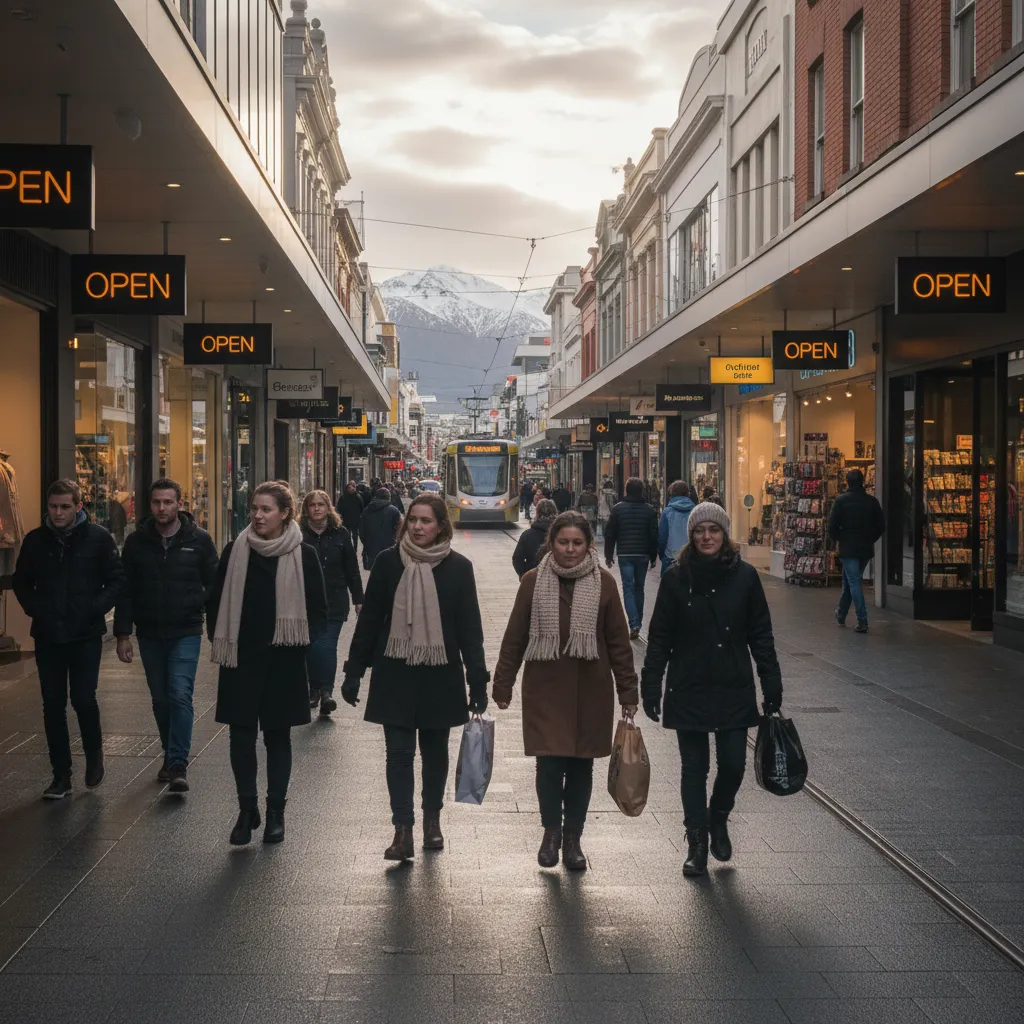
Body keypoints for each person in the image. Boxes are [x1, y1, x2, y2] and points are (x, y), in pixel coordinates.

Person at [341, 494, 489, 861]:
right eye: (413, 520)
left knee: (435, 754)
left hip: (441, 675)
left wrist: (479, 681)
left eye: (426, 521)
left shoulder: (459, 568)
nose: (419, 527)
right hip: (396, 671)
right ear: (405, 523)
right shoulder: (388, 563)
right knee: (399, 754)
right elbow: (370, 620)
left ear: (441, 526)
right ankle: (402, 829)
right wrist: (353, 671)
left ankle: (432, 822)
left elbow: (470, 630)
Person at [641, 503, 782, 877]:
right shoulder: (675, 578)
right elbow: (659, 638)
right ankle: (697, 841)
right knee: (694, 768)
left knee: (734, 764)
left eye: (713, 531)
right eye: (700, 531)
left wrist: (772, 684)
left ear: (724, 535)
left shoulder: (746, 577)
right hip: (689, 684)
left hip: (732, 683)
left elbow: (761, 635)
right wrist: (650, 684)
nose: (706, 537)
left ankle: (718, 816)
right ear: (691, 536)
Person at [493, 511, 638, 871]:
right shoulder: (532, 581)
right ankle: (551, 832)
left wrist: (628, 693)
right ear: (551, 543)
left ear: (588, 545)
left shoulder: (604, 583)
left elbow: (619, 643)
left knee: (580, 767)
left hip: (592, 689)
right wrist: (503, 682)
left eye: (577, 543)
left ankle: (573, 838)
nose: (570, 549)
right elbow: (515, 637)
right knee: (548, 763)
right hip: (546, 687)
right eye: (563, 542)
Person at [207, 481, 327, 846]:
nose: (257, 516)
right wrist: (222, 638)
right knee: (240, 738)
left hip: (284, 661)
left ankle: (276, 812)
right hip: (240, 659)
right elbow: (215, 602)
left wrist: (296, 648)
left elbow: (318, 611)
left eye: (266, 509)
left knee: (278, 738)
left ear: (285, 513)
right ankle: (247, 810)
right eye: (255, 509)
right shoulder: (235, 550)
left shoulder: (303, 554)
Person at [12, 479, 125, 799]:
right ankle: (60, 776)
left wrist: (94, 609)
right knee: (52, 705)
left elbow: (116, 580)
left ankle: (94, 757)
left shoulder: (98, 538)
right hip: (48, 634)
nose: (58, 513)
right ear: (46, 508)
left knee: (83, 699)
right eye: (53, 506)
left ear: (79, 506)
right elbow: (21, 582)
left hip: (85, 634)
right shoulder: (35, 541)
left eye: (65, 506)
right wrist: (37, 610)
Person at [113, 478, 219, 792]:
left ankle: (177, 763)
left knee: (179, 693)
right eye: (157, 502)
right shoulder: (136, 542)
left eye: (168, 502)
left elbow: (215, 584)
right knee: (160, 700)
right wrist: (122, 634)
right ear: (150, 505)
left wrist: (201, 609)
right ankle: (169, 752)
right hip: (149, 631)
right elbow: (126, 590)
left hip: (185, 629)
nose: (162, 508)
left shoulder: (199, 539)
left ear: (179, 504)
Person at [300, 490, 364, 717]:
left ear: (329, 508)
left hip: (334, 600)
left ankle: (325, 692)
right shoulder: (298, 534)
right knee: (309, 647)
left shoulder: (341, 534)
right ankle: (314, 688)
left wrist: (358, 599)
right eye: (312, 505)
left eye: (321, 505)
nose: (316, 509)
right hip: (304, 601)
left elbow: (352, 569)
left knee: (325, 645)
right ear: (306, 509)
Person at [828, 468, 886, 633]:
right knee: (850, 581)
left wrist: (840, 539)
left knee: (853, 582)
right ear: (862, 482)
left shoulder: (841, 501)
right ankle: (841, 614)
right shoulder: (872, 501)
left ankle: (862, 620)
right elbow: (881, 526)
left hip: (848, 547)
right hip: (865, 549)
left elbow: (832, 526)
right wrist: (870, 539)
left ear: (848, 482)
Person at [604, 477, 658, 639]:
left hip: (625, 554)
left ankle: (634, 623)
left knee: (628, 588)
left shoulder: (618, 509)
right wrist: (653, 556)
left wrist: (608, 555)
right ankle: (638, 623)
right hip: (642, 554)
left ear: (626, 490)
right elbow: (653, 535)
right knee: (639, 588)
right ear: (642, 491)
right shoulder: (649, 510)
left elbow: (610, 534)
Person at [658, 480, 695, 577]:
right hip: (691, 558)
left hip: (670, 557)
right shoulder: (695, 511)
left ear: (671, 494)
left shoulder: (667, 512)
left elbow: (662, 537)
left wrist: (662, 555)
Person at [513, 498, 557, 578]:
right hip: (557, 579)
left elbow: (517, 558)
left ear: (537, 514)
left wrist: (524, 575)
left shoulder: (527, 535)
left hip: (533, 578)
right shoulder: (560, 534)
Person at [360, 487, 402, 570]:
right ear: (388, 497)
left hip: (371, 549)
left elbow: (361, 530)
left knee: (374, 574)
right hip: (389, 548)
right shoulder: (394, 511)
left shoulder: (367, 510)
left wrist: (366, 542)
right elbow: (400, 530)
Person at [336, 481, 365, 561]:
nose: (351, 489)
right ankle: (348, 549)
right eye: (349, 488)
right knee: (347, 535)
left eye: (352, 488)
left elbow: (362, 507)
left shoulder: (357, 496)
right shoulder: (343, 497)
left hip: (355, 519)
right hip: (346, 519)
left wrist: (361, 517)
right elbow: (339, 507)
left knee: (355, 535)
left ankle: (354, 549)